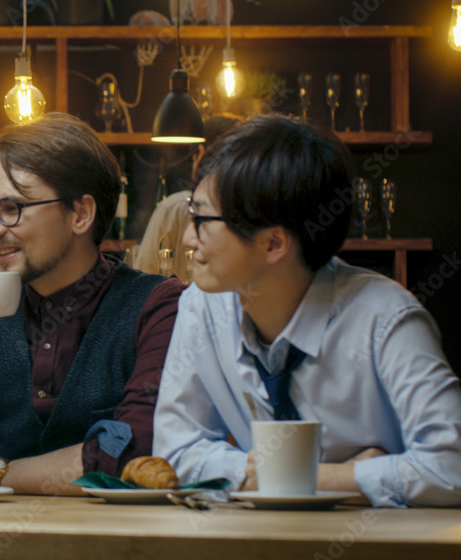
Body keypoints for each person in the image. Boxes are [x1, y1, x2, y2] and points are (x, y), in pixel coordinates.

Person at [153, 115, 461, 507]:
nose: (186, 237)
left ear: (273, 244)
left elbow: (452, 467)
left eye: (202, 219)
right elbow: (176, 453)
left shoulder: (385, 321)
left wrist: (311, 478)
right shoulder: (201, 307)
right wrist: (347, 480)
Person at [0, 113, 186, 494]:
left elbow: (133, 455)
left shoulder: (159, 306)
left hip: (123, 549)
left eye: (12, 207)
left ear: (80, 214)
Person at [134, 114, 242, 279]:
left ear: (200, 153)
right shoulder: (253, 209)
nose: (190, 239)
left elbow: (142, 283)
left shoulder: (175, 207)